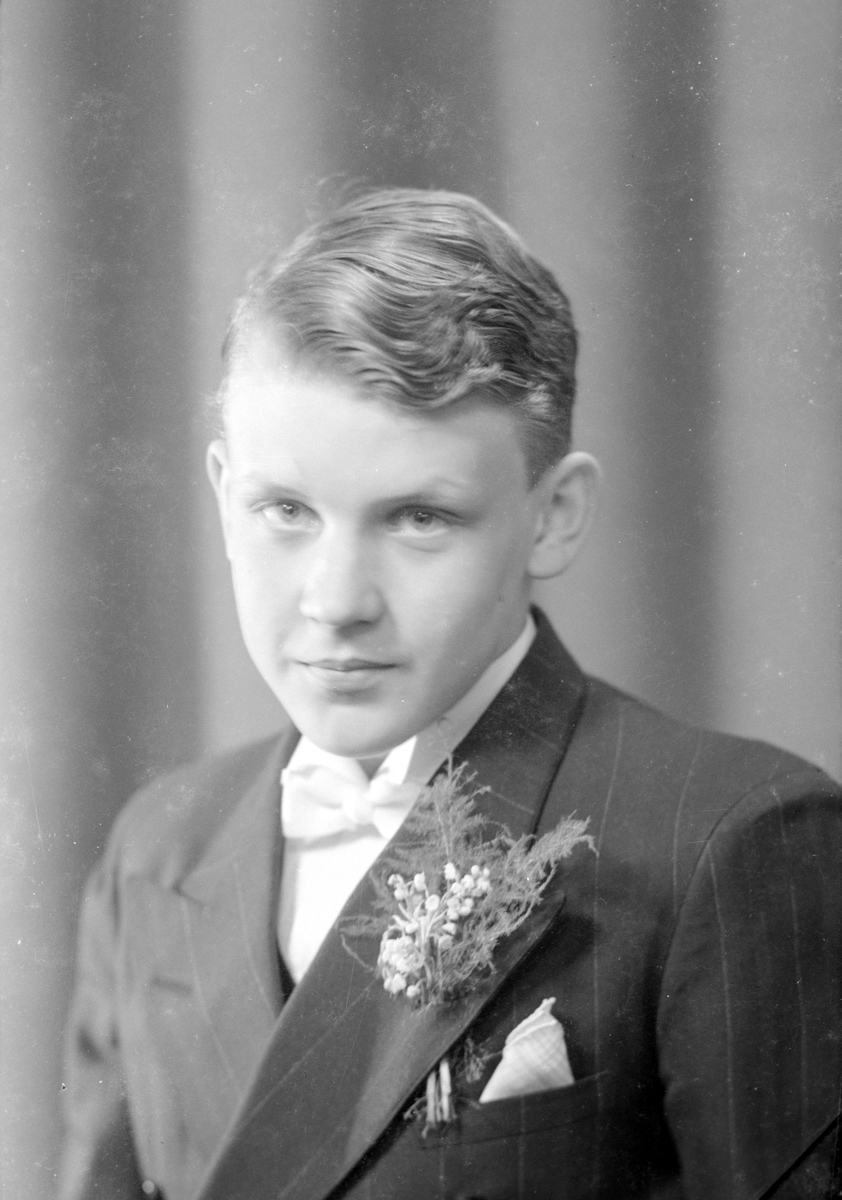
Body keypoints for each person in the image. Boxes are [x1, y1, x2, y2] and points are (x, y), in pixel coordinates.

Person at [59, 189, 842, 1200]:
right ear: (222, 495)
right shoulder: (157, 848)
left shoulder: (733, 840)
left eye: (419, 518)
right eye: (284, 509)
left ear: (553, 515)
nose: (336, 603)